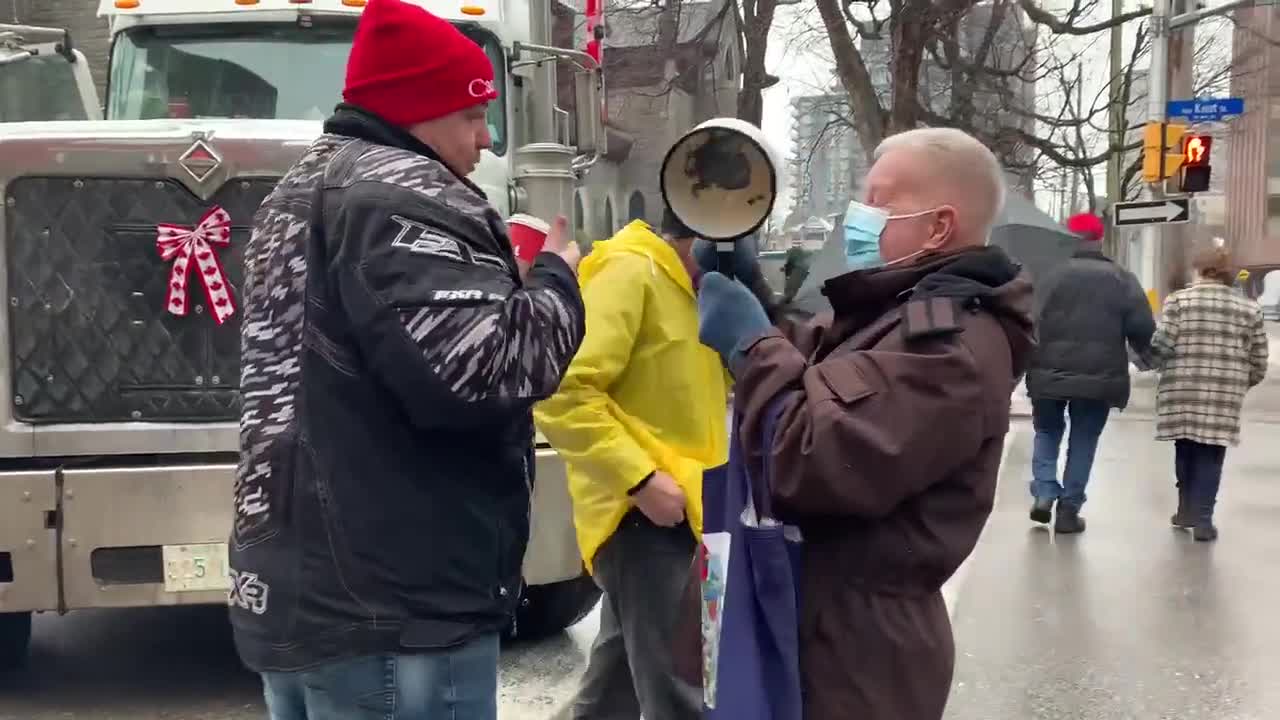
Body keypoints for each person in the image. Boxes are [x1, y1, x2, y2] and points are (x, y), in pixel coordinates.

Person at [228, 1, 587, 718]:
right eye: (471, 116)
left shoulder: (295, 193)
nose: (486, 140)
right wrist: (555, 283)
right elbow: (484, 375)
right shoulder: (403, 198)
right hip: (399, 607)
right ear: (415, 110)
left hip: (302, 592)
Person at [694, 127, 1036, 720]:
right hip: (823, 622)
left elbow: (812, 459)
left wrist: (751, 345)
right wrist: (759, 300)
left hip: (859, 656)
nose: (859, 216)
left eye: (880, 201)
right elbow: (816, 373)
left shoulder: (950, 349)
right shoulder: (896, 316)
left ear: (939, 226)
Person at [534, 207, 729, 720]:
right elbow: (560, 389)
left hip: (682, 509)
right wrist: (640, 480)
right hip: (644, 516)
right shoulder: (630, 270)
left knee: (615, 685)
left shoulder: (694, 289)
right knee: (681, 692)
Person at [1023, 212, 1155, 533]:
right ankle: (1069, 510)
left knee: (1047, 432)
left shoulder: (1046, 275)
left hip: (1046, 371)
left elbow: (1026, 320)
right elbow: (1142, 327)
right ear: (1100, 240)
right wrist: (1147, 357)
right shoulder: (1121, 279)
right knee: (1083, 439)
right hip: (1100, 376)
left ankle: (1044, 490)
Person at [1149, 244, 1269, 542]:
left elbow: (1162, 345)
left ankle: (1185, 510)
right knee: (1212, 453)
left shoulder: (1179, 301)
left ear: (1199, 270)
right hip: (1223, 393)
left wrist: (1157, 366)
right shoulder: (1249, 308)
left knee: (1185, 446)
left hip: (1181, 387)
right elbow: (1259, 358)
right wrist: (1240, 383)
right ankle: (1204, 520)